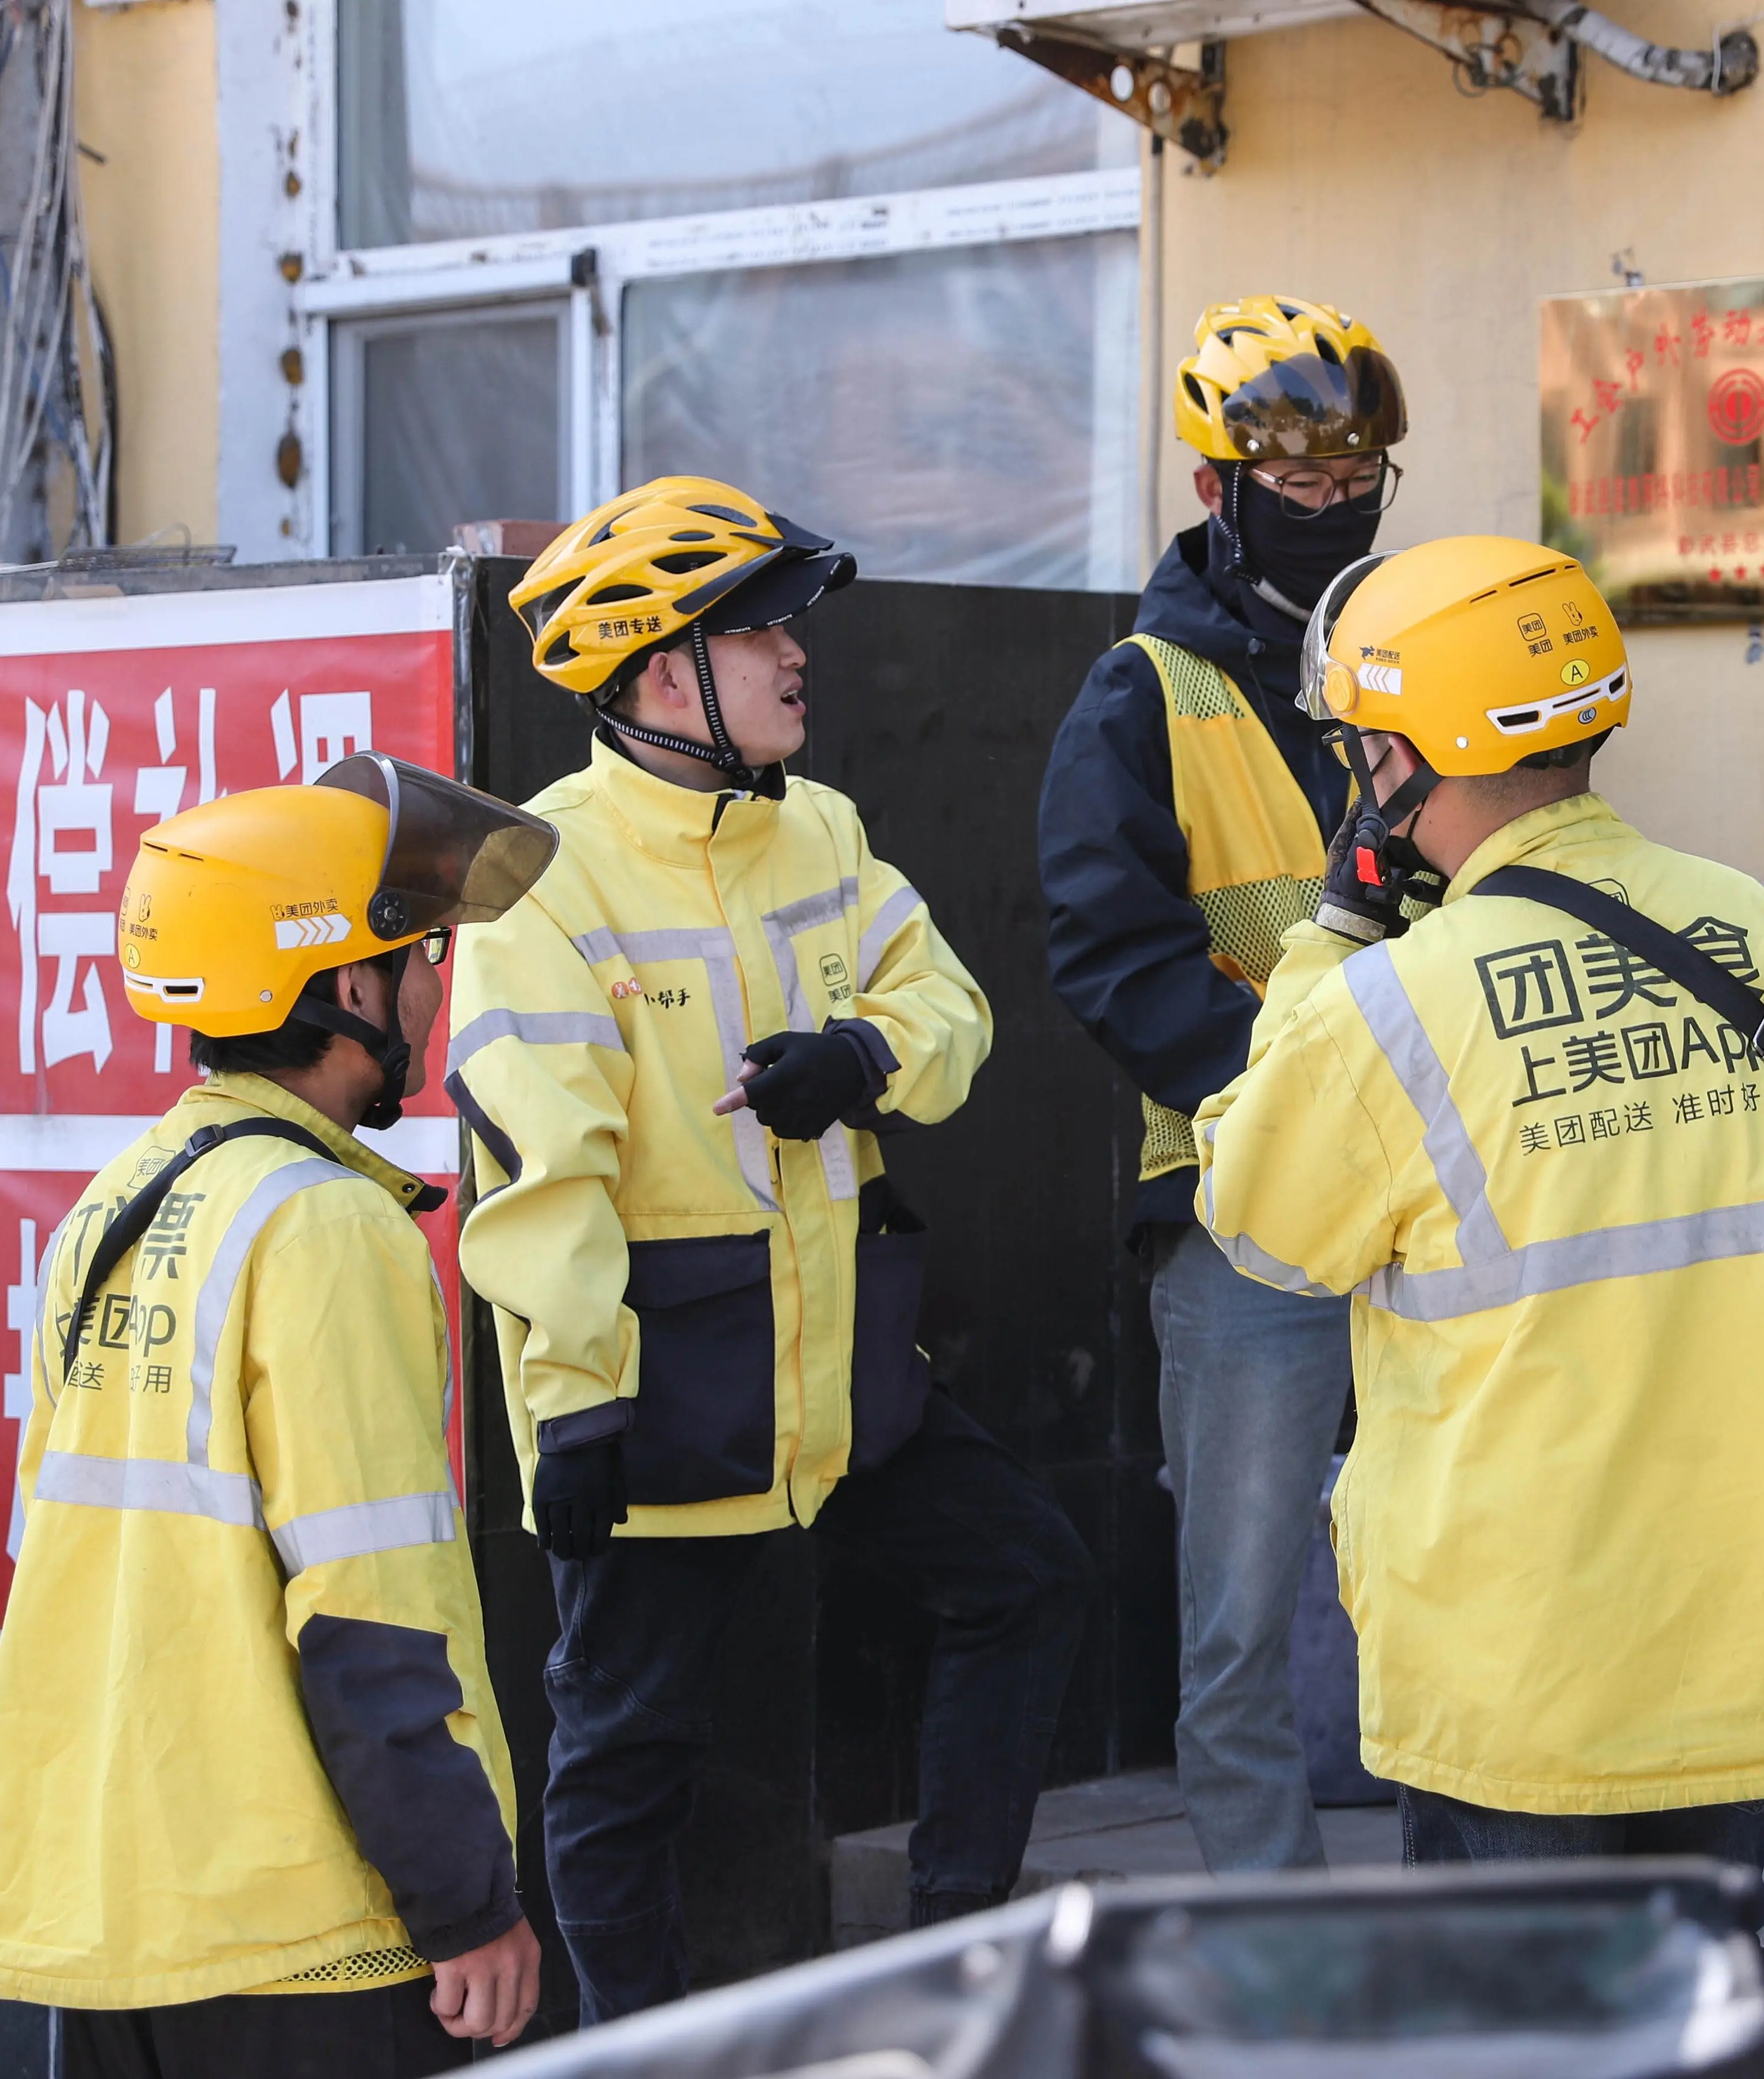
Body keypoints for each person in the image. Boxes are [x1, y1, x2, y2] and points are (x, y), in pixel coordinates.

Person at [1194, 533, 1764, 2073]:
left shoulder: (1388, 1005)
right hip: (1753, 1629)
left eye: (1360, 745)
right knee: (1709, 1996)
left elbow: (1258, 1223)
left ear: (1399, 761)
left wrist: (1331, 937)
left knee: (1517, 2025)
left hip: (1521, 1660)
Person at [448, 476, 1095, 2021]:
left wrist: (861, 1057)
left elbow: (948, 1007)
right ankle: (637, 2057)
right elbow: (540, 1174)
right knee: (625, 1766)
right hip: (663, 1395)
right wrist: (579, 1403)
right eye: (760, 632)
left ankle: (954, 1958)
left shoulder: (822, 826)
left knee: (1027, 1577)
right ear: (662, 674)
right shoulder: (539, 876)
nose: (799, 655)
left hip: (837, 1381)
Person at [0, 758, 555, 2073]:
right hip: (297, 1928)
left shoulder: (117, 1200)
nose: (436, 986)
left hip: (114, 1913)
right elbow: (371, 1607)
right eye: (419, 953)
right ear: (350, 989)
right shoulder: (325, 1228)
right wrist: (466, 1904)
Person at [1038, 295, 1406, 1871]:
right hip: (1240, 1202)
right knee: (1242, 1609)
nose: (1334, 510)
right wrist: (1295, 1095)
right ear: (1214, 489)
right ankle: (1279, 1931)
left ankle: (1466, 1903)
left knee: (1455, 1559)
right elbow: (1110, 958)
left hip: (1438, 1185)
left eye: (1358, 483)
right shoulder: (1141, 694)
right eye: (1301, 486)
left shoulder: (1409, 657)